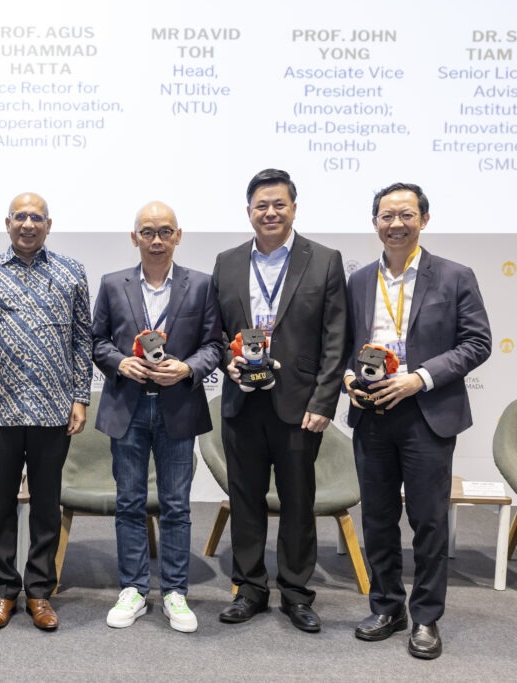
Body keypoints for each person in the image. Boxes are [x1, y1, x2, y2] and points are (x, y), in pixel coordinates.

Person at [344, 183, 490, 659]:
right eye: (386, 216)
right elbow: (344, 344)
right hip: (372, 413)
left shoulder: (454, 275)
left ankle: (426, 617)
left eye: (406, 215)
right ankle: (387, 607)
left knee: (428, 521)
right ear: (375, 223)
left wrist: (420, 378)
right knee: (378, 519)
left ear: (424, 219)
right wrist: (348, 378)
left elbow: (477, 343)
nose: (396, 224)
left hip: (427, 414)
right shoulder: (359, 280)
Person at [212, 169, 347, 633]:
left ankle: (295, 593)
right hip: (242, 402)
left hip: (299, 406)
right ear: (248, 211)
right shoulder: (227, 262)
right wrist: (226, 362)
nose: (270, 212)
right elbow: (215, 332)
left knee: (298, 502)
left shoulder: (324, 260)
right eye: (261, 206)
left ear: (293, 208)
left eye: (279, 204)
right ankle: (249, 589)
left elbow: (336, 338)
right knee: (245, 500)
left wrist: (324, 402)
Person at [0, 192, 93, 631]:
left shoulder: (72, 272)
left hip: (54, 410)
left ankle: (39, 592)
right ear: (8, 223)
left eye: (37, 217)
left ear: (48, 225)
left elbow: (82, 340)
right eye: (20, 216)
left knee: (46, 507)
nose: (28, 224)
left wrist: (80, 396)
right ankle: (3, 591)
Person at [91, 201, 223, 632]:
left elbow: (214, 345)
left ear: (178, 236)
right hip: (127, 408)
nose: (157, 240)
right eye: (147, 232)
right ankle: (133, 588)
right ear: (134, 238)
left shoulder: (200, 284)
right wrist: (119, 362)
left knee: (176, 505)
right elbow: (97, 341)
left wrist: (187, 368)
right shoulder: (113, 284)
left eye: (165, 231)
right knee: (129, 502)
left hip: (178, 406)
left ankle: (174, 592)